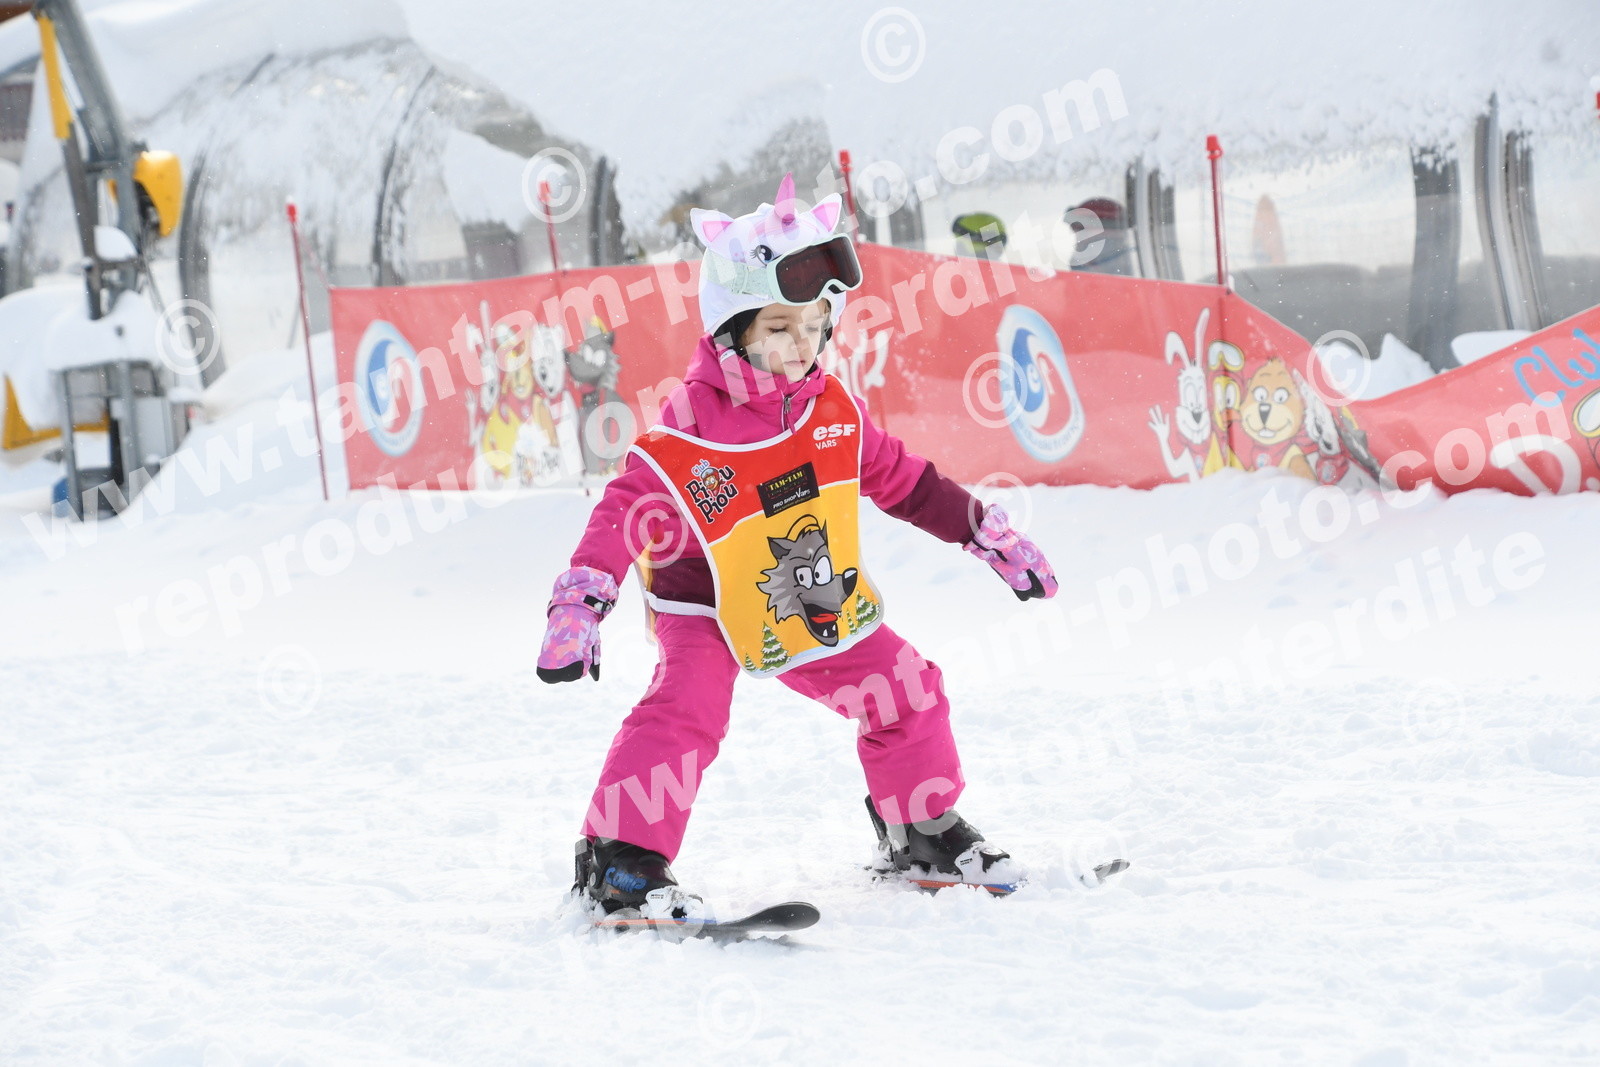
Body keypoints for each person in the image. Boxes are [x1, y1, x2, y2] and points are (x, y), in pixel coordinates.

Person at [538, 174, 1060, 920]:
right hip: (705, 603)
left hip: (805, 593)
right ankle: (619, 862)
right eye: (779, 326)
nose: (801, 343)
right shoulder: (692, 425)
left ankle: (920, 830)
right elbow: (625, 510)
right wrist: (581, 603)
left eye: (814, 324)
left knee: (906, 687)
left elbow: (905, 481)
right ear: (732, 329)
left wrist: (982, 531)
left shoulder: (830, 412)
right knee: (687, 708)